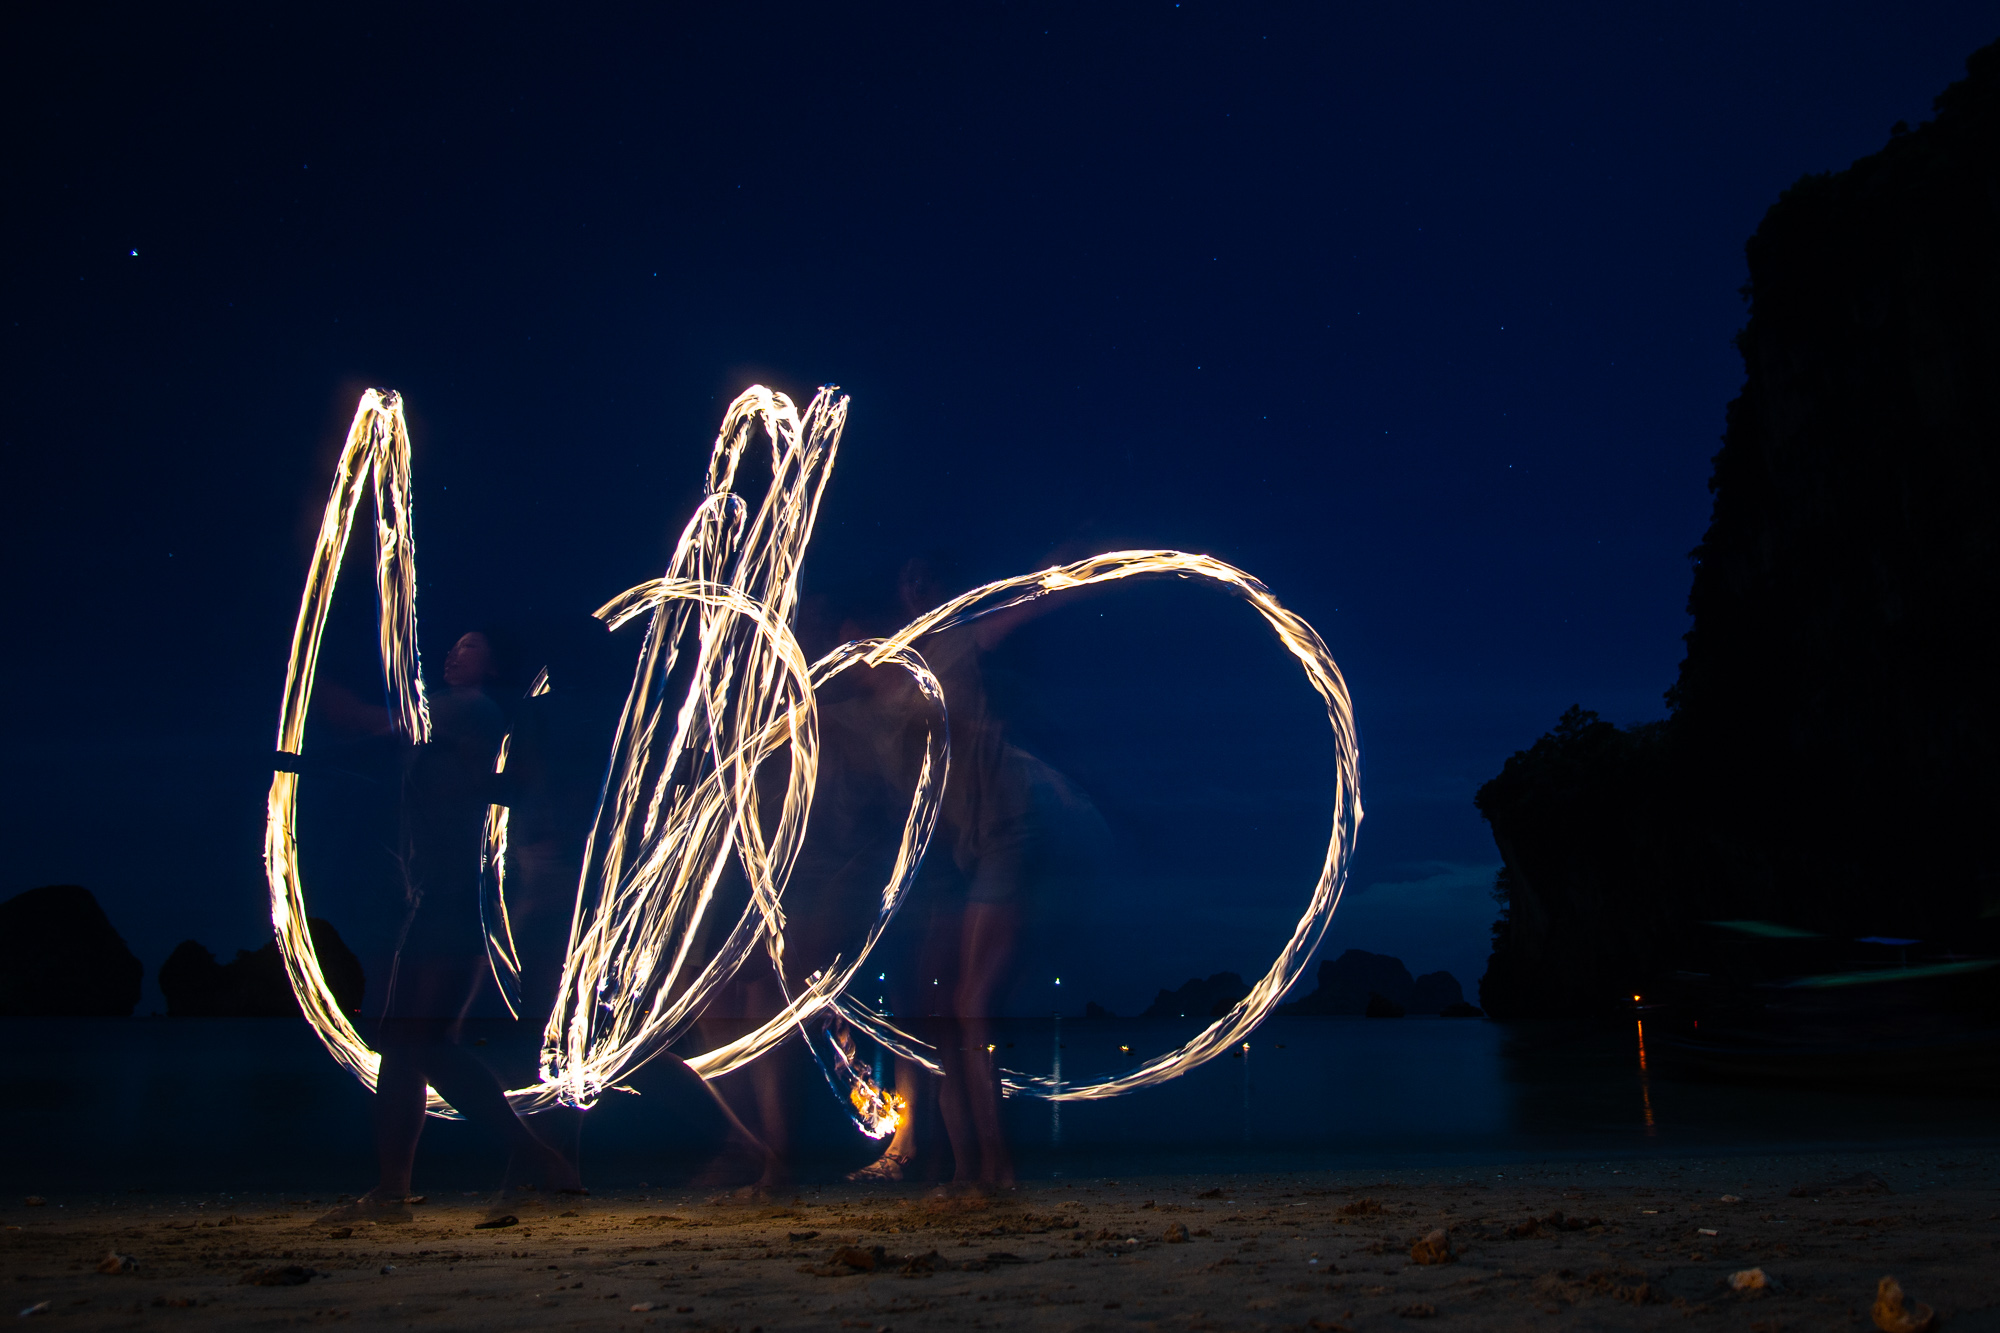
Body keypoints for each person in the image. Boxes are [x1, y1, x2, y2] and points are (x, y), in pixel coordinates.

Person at [318, 632, 579, 1226]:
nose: (455, 653)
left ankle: (540, 1160)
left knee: (420, 1040)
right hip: (434, 896)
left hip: (452, 898)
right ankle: (392, 1191)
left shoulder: (469, 708)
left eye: (472, 646)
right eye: (455, 645)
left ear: (494, 664)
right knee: (403, 1044)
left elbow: (368, 722)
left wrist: (308, 676)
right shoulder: (457, 719)